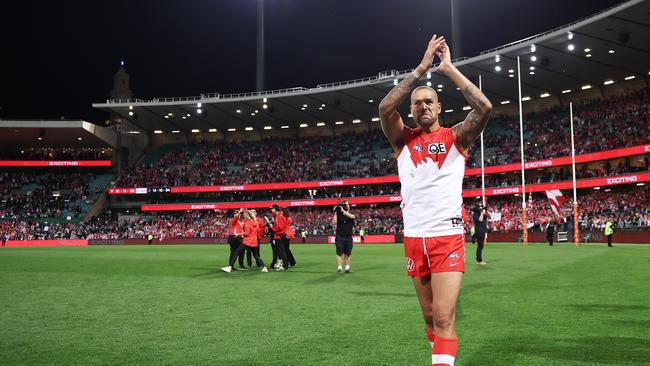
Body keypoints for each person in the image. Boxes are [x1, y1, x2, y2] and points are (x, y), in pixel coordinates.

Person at [379, 34, 492, 366]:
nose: (423, 106)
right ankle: (440, 353)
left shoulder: (455, 137)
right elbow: (385, 107)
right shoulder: (402, 139)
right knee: (430, 318)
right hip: (414, 238)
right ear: (411, 110)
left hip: (447, 236)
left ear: (439, 107)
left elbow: (484, 107)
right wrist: (420, 70)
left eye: (429, 101)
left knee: (443, 315)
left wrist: (448, 69)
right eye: (417, 103)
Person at [332, 200, 355, 273]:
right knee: (339, 252)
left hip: (348, 236)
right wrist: (335, 213)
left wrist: (343, 211)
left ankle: (347, 268)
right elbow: (333, 222)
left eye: (347, 204)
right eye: (345, 204)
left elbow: (352, 217)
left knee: (348, 253)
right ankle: (339, 268)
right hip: (340, 236)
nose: (346, 205)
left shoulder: (351, 214)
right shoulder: (339, 214)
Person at [270, 204, 289, 271]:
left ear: (275, 209)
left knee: (281, 252)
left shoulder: (279, 216)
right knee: (282, 251)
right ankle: (285, 265)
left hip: (279, 235)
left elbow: (279, 227)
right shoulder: (279, 216)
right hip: (280, 235)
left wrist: (272, 227)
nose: (271, 210)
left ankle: (285, 266)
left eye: (272, 209)